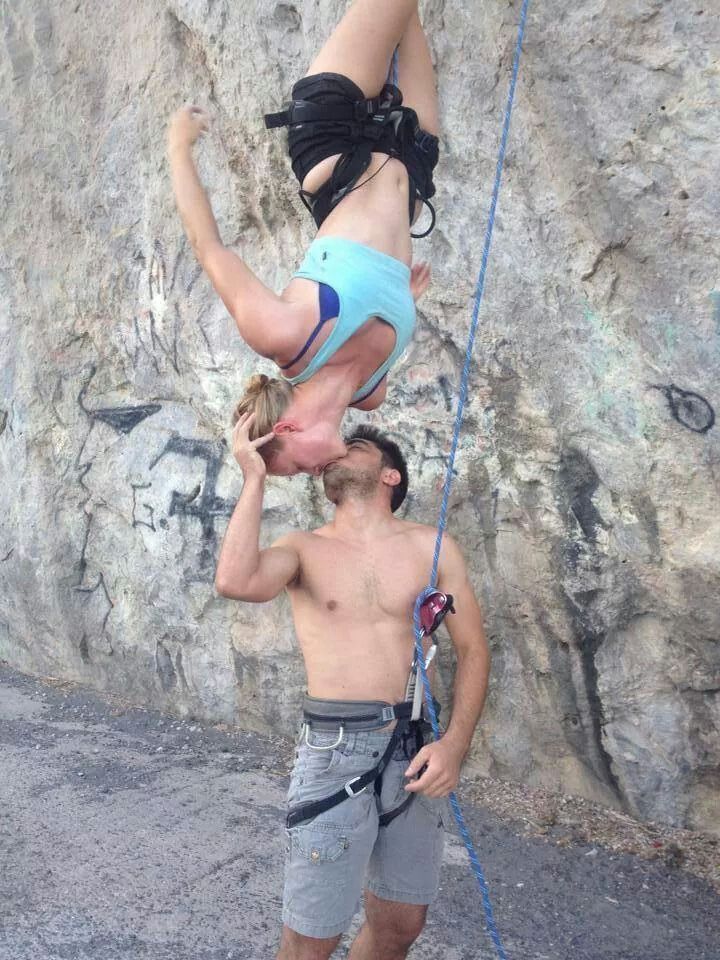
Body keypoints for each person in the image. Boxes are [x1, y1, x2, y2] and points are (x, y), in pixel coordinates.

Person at [215, 417, 490, 960]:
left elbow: (475, 650)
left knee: (401, 923)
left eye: (354, 446)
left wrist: (454, 745)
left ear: (390, 475)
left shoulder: (433, 548)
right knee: (311, 937)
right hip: (335, 747)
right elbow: (235, 581)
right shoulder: (303, 548)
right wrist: (254, 478)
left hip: (414, 746)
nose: (334, 453)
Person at [168, 0, 440, 476]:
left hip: (337, 138)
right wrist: (403, 297)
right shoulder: (372, 393)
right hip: (411, 164)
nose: (312, 477)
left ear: (286, 431)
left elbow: (208, 247)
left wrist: (177, 145)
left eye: (295, 470)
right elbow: (376, 289)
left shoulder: (284, 336)